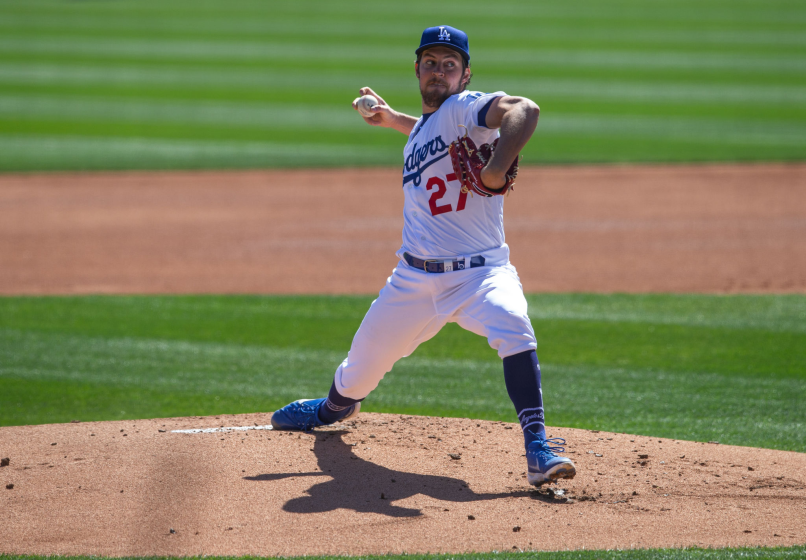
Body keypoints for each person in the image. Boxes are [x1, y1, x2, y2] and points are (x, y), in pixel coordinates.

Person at [271, 25, 576, 486]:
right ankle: (331, 409)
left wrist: (494, 171)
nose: (439, 71)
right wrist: (393, 119)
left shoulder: (464, 108)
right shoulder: (429, 129)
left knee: (514, 325)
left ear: (465, 75)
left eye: (449, 64)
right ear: (417, 70)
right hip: (411, 282)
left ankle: (537, 444)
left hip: (481, 275)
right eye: (430, 63)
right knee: (355, 376)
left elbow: (524, 110)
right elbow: (427, 131)